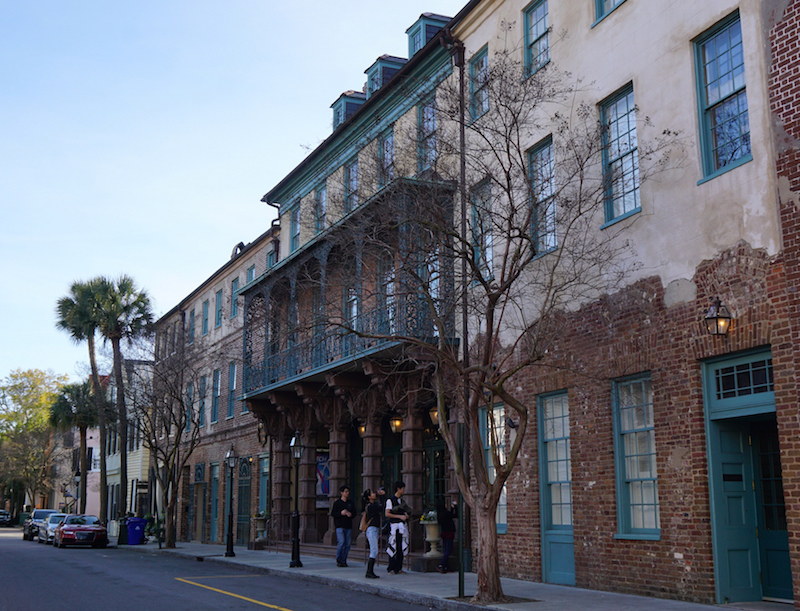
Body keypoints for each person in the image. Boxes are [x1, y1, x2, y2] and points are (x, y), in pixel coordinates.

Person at [384, 480, 410, 575]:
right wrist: (399, 517)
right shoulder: (390, 500)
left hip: (402, 526)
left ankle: (399, 567)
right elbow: (387, 514)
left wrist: (405, 515)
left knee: (400, 546)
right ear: (398, 489)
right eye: (403, 488)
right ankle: (391, 567)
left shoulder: (402, 501)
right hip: (394, 526)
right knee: (393, 546)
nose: (404, 490)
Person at [330, 485, 355, 567]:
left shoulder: (350, 503)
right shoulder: (337, 503)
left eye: (348, 492)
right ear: (342, 493)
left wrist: (350, 514)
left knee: (347, 544)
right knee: (341, 542)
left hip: (348, 525)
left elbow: (354, 513)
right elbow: (333, 514)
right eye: (345, 492)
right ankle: (339, 559)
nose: (347, 493)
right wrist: (341, 513)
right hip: (340, 525)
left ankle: (344, 560)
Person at [361, 488, 382, 578]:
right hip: (372, 529)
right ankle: (369, 571)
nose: (375, 494)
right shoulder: (371, 506)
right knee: (374, 550)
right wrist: (382, 496)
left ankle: (370, 571)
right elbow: (381, 507)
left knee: (374, 550)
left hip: (374, 529)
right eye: (373, 493)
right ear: (369, 497)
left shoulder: (372, 505)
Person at [436, 496, 458, 573]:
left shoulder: (440, 514)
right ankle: (441, 564)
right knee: (448, 550)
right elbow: (455, 515)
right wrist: (455, 507)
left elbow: (450, 514)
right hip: (449, 533)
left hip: (444, 532)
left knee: (446, 549)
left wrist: (452, 509)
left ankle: (445, 566)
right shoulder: (445, 513)